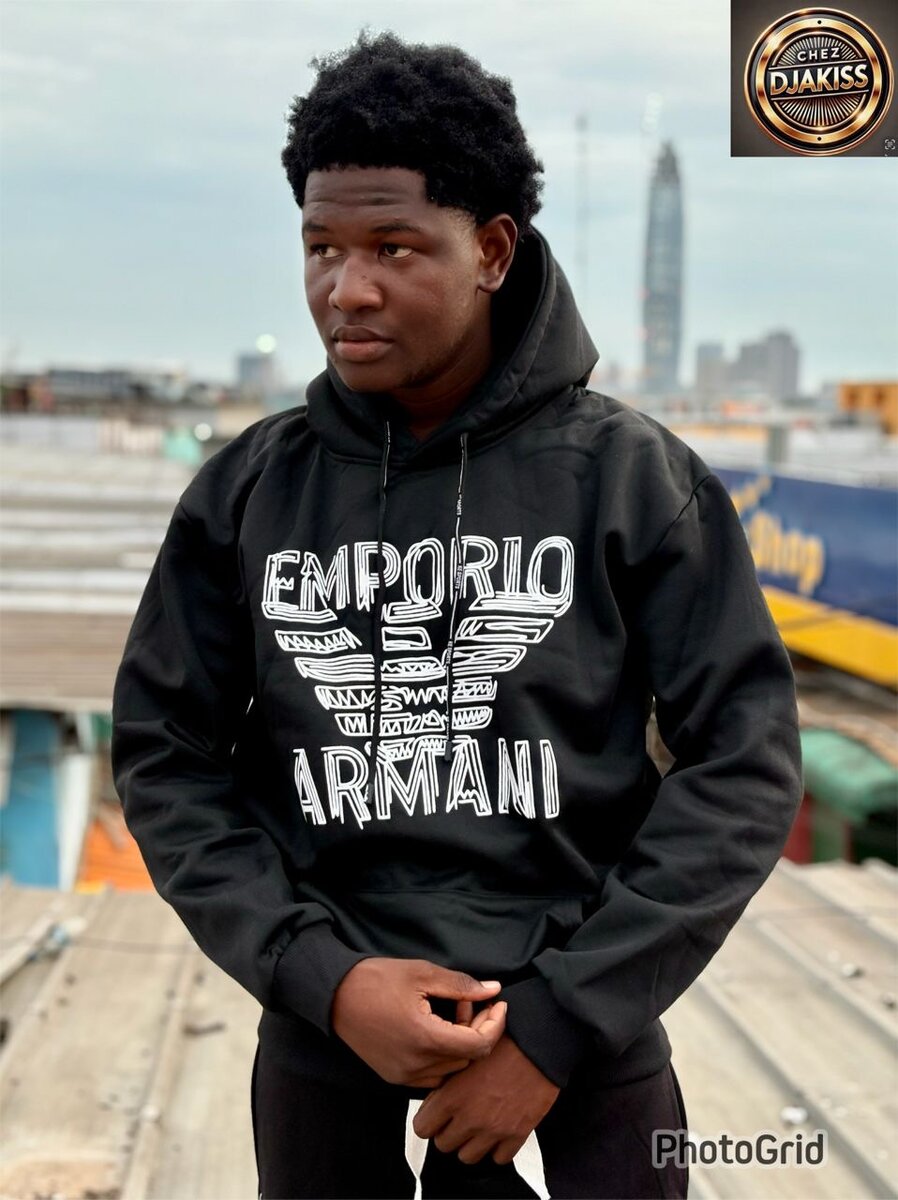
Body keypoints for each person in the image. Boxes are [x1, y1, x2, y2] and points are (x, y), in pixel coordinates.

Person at [111, 31, 802, 1200]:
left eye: (393, 247)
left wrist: (557, 1025)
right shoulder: (248, 493)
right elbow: (165, 754)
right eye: (321, 248)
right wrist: (324, 978)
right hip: (327, 1044)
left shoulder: (632, 481)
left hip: (584, 1043)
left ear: (490, 250)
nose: (347, 289)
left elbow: (743, 762)